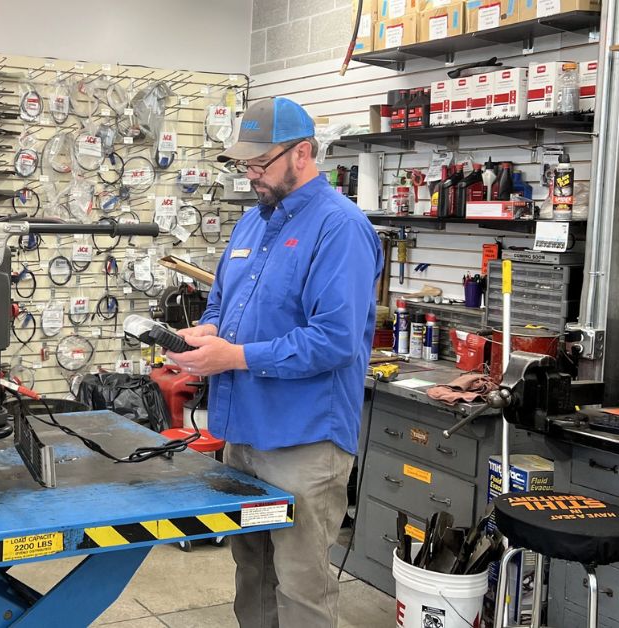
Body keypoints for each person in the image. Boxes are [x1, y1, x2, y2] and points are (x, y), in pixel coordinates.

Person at [166, 97, 383, 628]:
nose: (252, 175)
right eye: (246, 164)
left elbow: (334, 340)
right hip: (244, 434)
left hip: (303, 441)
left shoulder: (340, 228)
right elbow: (222, 301)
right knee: (252, 572)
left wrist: (233, 356)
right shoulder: (250, 224)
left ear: (303, 153)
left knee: (301, 584)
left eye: (261, 164)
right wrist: (209, 331)